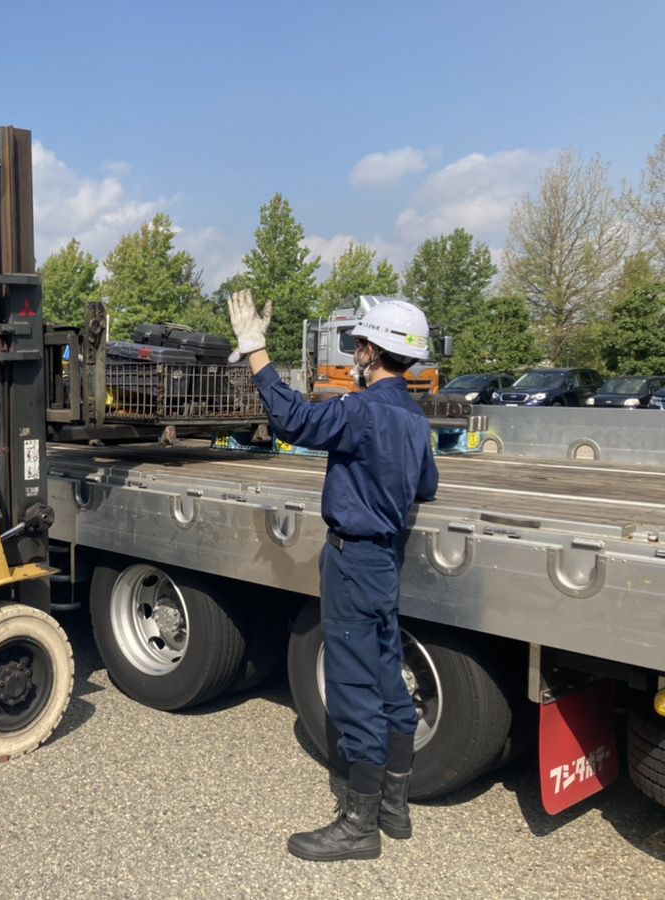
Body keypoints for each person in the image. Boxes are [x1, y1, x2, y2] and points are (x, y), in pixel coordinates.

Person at [227, 290, 439, 862]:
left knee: (352, 689)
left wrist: (257, 352)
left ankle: (358, 826)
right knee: (388, 677)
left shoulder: (362, 410)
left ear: (372, 350)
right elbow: (425, 488)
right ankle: (394, 809)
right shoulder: (413, 420)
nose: (353, 359)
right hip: (385, 561)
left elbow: (293, 420)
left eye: (358, 349)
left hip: (352, 560)